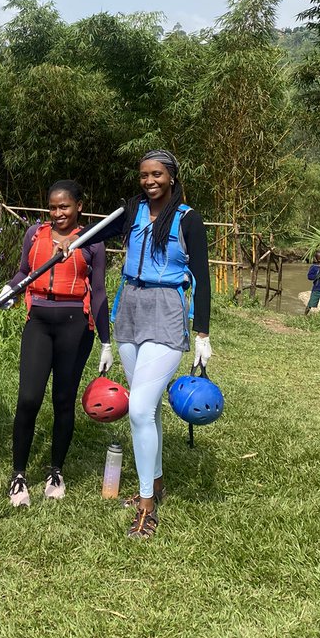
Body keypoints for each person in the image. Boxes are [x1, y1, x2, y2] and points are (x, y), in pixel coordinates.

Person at [100, 149, 211, 541]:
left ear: (172, 177)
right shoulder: (132, 213)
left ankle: (147, 506)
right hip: (129, 305)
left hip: (166, 309)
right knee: (148, 410)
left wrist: (203, 333)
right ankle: (157, 481)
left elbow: (202, 276)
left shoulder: (187, 219)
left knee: (139, 408)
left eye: (157, 175)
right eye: (144, 175)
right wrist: (70, 244)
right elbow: (97, 235)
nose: (149, 181)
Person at [0, 180, 110, 507]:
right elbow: (23, 273)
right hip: (40, 323)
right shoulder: (35, 234)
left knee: (63, 400)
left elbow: (99, 291)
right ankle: (19, 475)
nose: (59, 213)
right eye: (53, 207)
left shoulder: (92, 241)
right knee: (29, 398)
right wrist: (10, 289)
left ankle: (55, 471)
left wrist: (105, 340)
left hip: (76, 326)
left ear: (79, 207)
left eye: (65, 207)